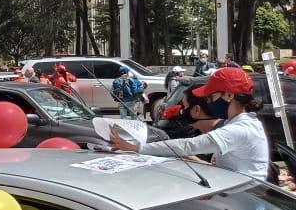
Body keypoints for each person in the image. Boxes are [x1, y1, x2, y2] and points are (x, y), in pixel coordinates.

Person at [111, 67, 269, 180]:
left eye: (211, 97)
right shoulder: (241, 123)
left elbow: (188, 145)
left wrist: (134, 147)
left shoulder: (239, 129)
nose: (209, 102)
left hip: (246, 207)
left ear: (228, 95)